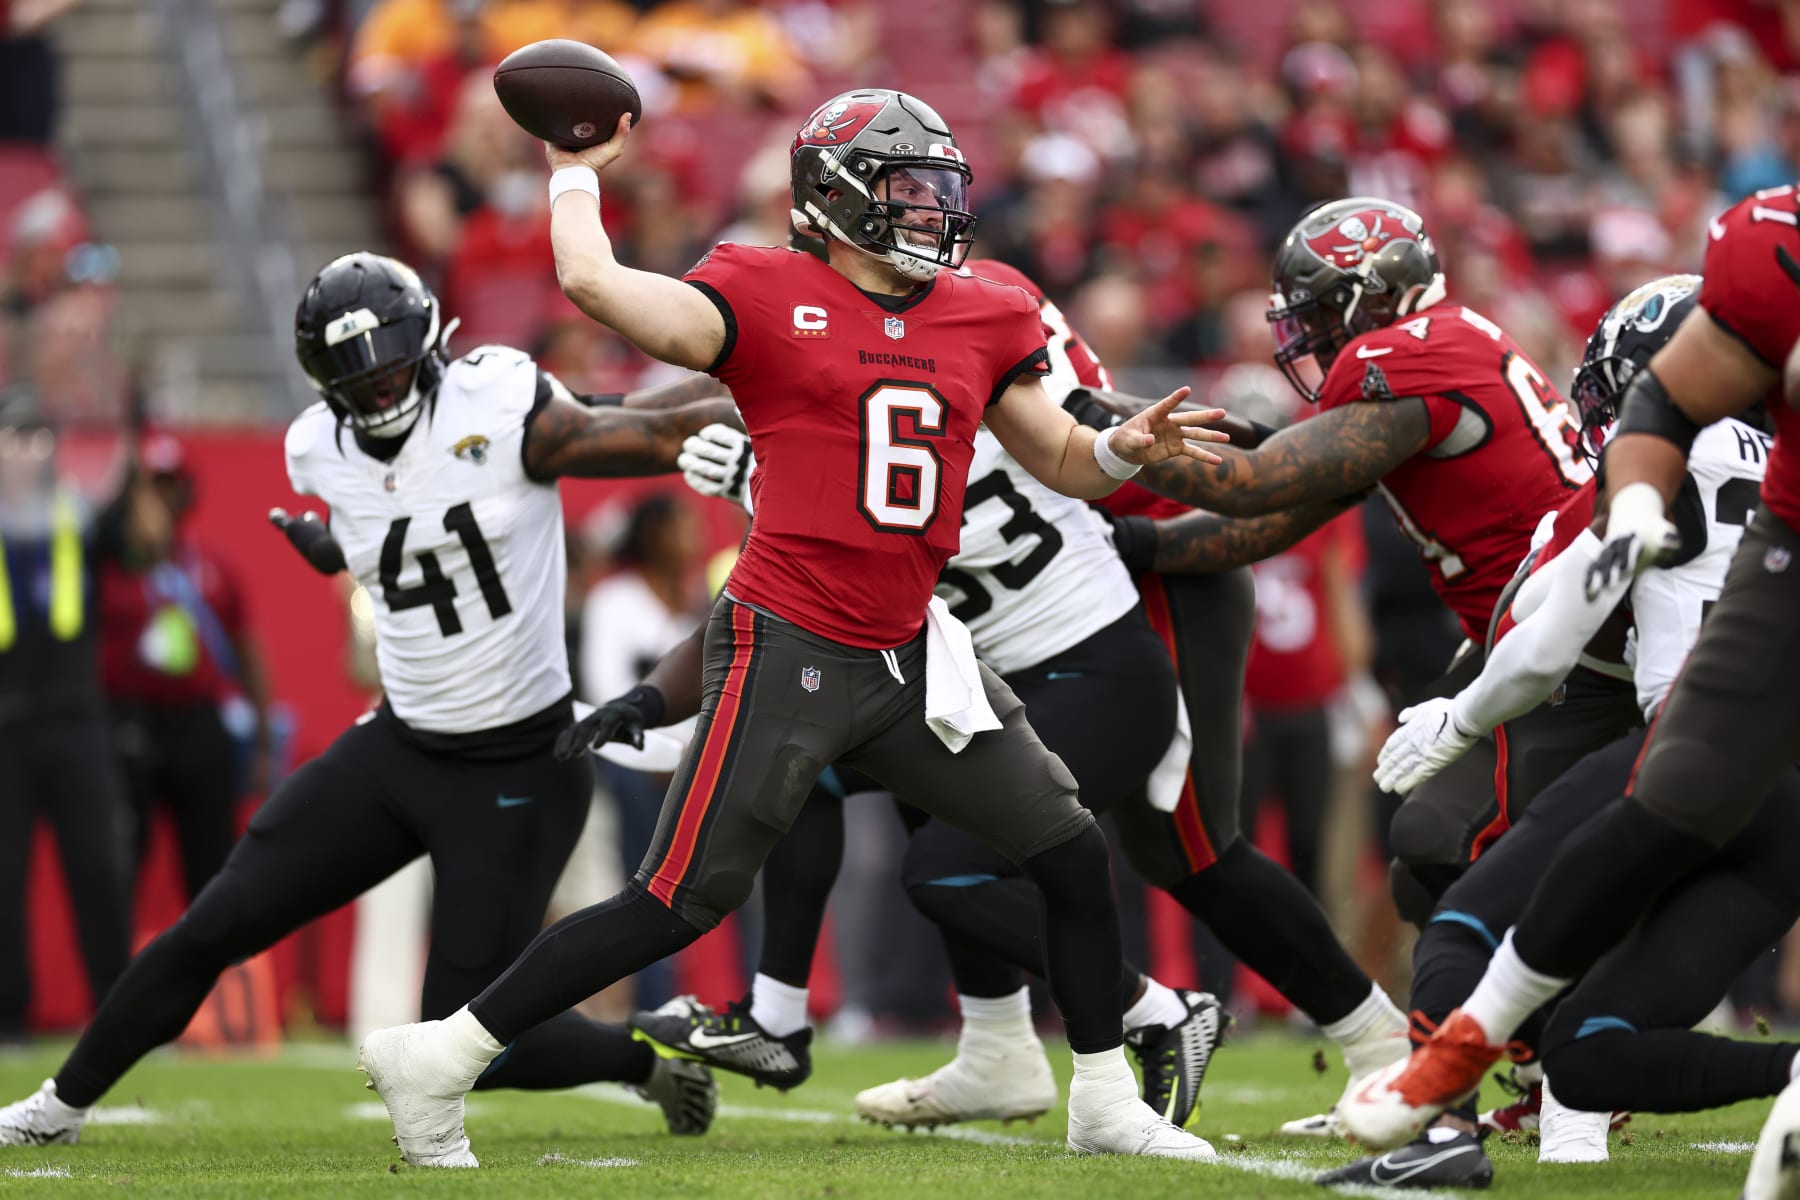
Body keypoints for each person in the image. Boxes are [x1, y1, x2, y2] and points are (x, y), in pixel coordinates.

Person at [355, 89, 1229, 1168]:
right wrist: (575, 165)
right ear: (836, 197)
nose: (930, 210)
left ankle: (1102, 1100)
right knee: (677, 900)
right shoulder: (766, 292)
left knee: (1066, 847)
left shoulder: (986, 306)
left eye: (937, 188)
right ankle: (442, 1056)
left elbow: (1057, 455)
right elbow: (591, 281)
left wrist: (1123, 450)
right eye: (906, 189)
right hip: (790, 646)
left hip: (913, 652)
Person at [620, 256, 1409, 1135]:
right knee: (865, 778)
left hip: (1138, 583)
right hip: (1025, 621)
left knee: (1188, 852)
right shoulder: (897, 353)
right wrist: (639, 413)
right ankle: (971, 1042)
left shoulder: (978, 349)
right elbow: (809, 411)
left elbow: (895, 482)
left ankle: (1378, 1047)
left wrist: (758, 478)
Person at [0, 251, 737, 1149]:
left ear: (430, 348)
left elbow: (638, 430)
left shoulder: (498, 407)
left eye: (390, 366)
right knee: (211, 926)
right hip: (399, 748)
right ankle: (58, 1108)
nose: (379, 390)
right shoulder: (318, 446)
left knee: (461, 1040)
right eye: (356, 377)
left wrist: (776, 406)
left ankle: (643, 1061)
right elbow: (399, 520)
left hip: (517, 766)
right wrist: (339, 549)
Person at [1324, 185, 1800, 1200]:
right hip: (1789, 812)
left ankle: (1434, 1123)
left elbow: (1541, 641)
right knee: (1594, 1047)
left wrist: (1456, 716)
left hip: (1703, 749)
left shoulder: (1640, 465)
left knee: (1462, 914)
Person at [1109, 196, 1643, 924]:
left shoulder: (1404, 357)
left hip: (1565, 636)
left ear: (1378, 297)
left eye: (1325, 313)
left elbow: (1251, 481)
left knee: (1440, 841)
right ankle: (1546, 1016)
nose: (1313, 336)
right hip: (1515, 626)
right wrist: (1137, 545)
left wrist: (1097, 440)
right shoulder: (1439, 351)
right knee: (1423, 876)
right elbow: (1271, 520)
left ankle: (1603, 1005)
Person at [0, 416, 145, 1044]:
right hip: (4, 725)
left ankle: (116, 1015)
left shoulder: (75, 517)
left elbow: (136, 534)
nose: (24, 451)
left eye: (36, 437)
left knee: (100, 866)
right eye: (11, 437)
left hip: (76, 718)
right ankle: (8, 1016)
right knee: (4, 877)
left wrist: (133, 436)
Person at [99, 432, 274, 902]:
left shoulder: (211, 566)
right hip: (128, 724)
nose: (160, 499)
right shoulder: (108, 567)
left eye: (169, 484)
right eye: (150, 486)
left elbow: (248, 654)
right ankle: (120, 973)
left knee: (213, 869)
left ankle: (217, 973)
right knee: (119, 866)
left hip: (197, 724)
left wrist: (260, 745)